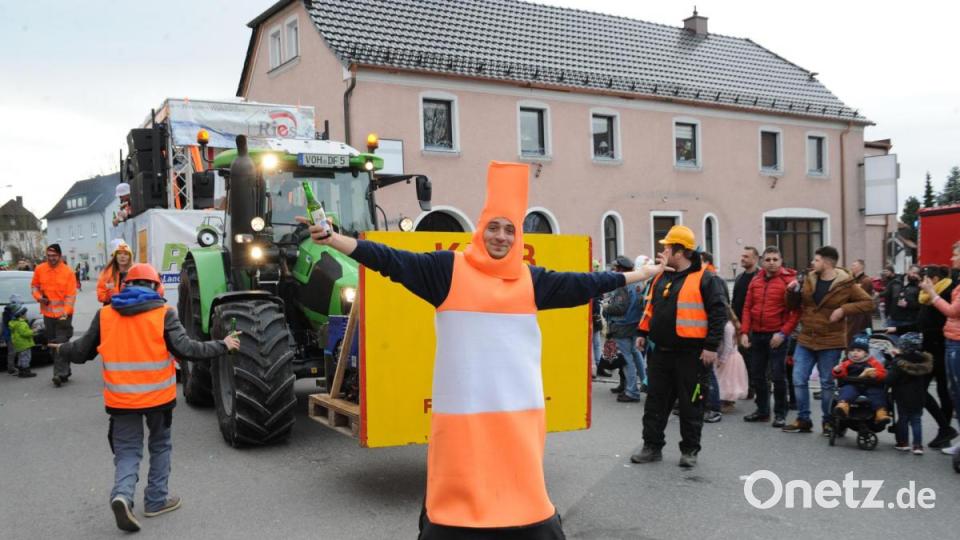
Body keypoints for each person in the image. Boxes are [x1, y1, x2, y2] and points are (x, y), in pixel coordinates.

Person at [300, 162, 665, 538]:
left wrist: (639, 275)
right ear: (480, 228)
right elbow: (390, 260)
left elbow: (586, 283)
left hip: (516, 416)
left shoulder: (531, 280)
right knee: (456, 501)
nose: (501, 237)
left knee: (521, 498)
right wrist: (334, 240)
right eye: (493, 227)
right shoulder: (447, 270)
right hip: (463, 418)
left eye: (510, 229)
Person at [50, 263, 240, 532]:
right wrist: (223, 344)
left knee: (128, 451)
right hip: (158, 400)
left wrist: (62, 349)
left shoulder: (105, 315)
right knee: (160, 447)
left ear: (125, 285)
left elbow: (81, 351)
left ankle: (122, 495)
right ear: (156, 287)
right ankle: (156, 500)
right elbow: (188, 350)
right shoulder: (164, 314)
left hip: (121, 401)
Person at [631, 225, 728, 468]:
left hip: (692, 355)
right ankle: (651, 447)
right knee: (655, 403)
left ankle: (690, 450)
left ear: (680, 251)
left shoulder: (706, 279)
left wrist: (711, 346)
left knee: (691, 405)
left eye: (667, 247)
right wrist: (642, 332)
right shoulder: (661, 276)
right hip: (661, 353)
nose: (663, 251)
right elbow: (651, 307)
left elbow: (718, 314)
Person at [783, 246, 874, 435]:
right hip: (806, 337)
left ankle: (828, 421)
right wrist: (792, 292)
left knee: (827, 382)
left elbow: (868, 303)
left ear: (826, 262)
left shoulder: (845, 283)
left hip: (831, 340)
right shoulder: (808, 278)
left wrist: (843, 310)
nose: (812, 263)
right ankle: (803, 419)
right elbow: (792, 305)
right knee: (798, 379)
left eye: (816, 260)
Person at [891, 265, 958, 448]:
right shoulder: (927, 296)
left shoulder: (946, 293)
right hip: (929, 349)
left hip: (942, 348)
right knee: (923, 389)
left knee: (940, 391)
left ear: (934, 279)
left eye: (923, 279)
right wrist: (897, 329)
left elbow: (947, 318)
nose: (920, 284)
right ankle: (943, 429)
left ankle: (943, 430)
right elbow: (921, 323)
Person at [739, 246, 799, 427]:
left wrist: (783, 333)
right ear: (762, 261)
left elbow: (796, 312)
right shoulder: (756, 280)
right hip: (757, 334)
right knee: (758, 375)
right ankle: (762, 411)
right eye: (768, 260)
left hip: (777, 336)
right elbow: (747, 307)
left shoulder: (790, 282)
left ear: (781, 261)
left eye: (775, 259)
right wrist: (744, 332)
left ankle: (780, 413)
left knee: (778, 376)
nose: (771, 263)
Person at [919, 243, 960, 457]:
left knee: (948, 391)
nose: (952, 259)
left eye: (955, 255)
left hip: (946, 344)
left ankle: (945, 429)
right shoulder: (945, 288)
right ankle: (946, 430)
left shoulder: (947, 289)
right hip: (940, 343)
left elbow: (952, 312)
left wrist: (932, 294)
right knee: (948, 391)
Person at [30, 243, 77, 387]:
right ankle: (65, 370)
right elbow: (34, 286)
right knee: (52, 345)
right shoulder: (40, 269)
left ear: (60, 256)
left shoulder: (68, 272)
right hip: (48, 315)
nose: (51, 258)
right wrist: (39, 297)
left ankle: (58, 374)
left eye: (54, 256)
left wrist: (66, 312)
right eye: (49, 256)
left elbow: (70, 296)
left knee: (60, 343)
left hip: (64, 316)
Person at [603, 255, 646, 402]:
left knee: (626, 360)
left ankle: (632, 391)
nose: (614, 270)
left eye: (616, 268)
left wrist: (606, 307)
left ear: (621, 269)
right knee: (636, 355)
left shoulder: (623, 284)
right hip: (635, 324)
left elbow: (621, 308)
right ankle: (645, 383)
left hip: (622, 326)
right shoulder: (639, 282)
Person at [886, 333, 933, 455]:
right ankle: (918, 446)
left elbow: (890, 379)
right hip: (919, 395)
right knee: (916, 420)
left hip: (902, 396)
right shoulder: (923, 362)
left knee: (903, 419)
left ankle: (903, 443)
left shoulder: (899, 362)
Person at [831, 334, 890, 424]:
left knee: (878, 394)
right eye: (852, 351)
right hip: (853, 384)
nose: (855, 353)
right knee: (847, 391)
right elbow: (841, 374)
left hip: (870, 385)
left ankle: (880, 413)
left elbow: (883, 373)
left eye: (859, 351)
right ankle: (843, 406)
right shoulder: (847, 362)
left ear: (866, 353)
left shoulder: (873, 362)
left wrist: (875, 374)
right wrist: (837, 371)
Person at [715, 304, 748, 412]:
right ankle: (726, 402)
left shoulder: (727, 327)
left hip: (729, 358)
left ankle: (727, 402)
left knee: (727, 381)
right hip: (730, 356)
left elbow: (728, 346)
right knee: (726, 380)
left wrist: (722, 359)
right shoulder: (729, 325)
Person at [98, 240, 134, 305]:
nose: (122, 256)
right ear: (115, 256)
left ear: (130, 257)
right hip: (111, 307)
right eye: (119, 253)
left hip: (129, 307)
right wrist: (109, 295)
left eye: (126, 254)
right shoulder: (106, 273)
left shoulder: (135, 272)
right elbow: (100, 295)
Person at [847, 259, 875, 337]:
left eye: (854, 265)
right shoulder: (853, 280)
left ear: (861, 267)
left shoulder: (866, 280)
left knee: (861, 338)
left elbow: (856, 297)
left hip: (862, 316)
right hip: (853, 314)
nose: (851, 267)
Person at [8, 302, 36, 378]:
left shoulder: (13, 323)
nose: (26, 315)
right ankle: (26, 372)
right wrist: (33, 331)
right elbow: (25, 333)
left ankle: (21, 371)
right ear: (20, 315)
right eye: (25, 314)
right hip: (24, 344)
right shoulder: (21, 323)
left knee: (21, 357)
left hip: (19, 344)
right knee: (26, 357)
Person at [3, 294, 19, 375]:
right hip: (9, 335)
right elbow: (8, 324)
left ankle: (14, 366)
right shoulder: (6, 313)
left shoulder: (12, 311)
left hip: (13, 335)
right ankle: (11, 368)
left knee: (15, 351)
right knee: (12, 352)